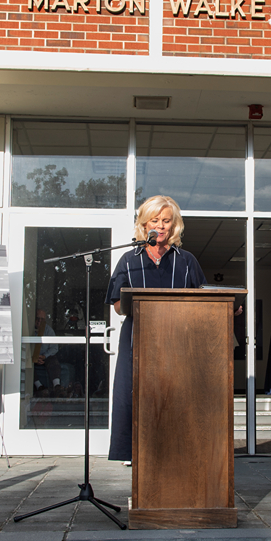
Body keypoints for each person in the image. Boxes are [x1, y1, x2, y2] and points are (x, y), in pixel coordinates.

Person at [106, 195, 206, 463]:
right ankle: (133, 452)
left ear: (174, 226)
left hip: (178, 341)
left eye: (166, 221)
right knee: (132, 395)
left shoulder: (187, 261)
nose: (161, 226)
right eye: (155, 220)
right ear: (143, 224)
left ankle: (177, 452)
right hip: (136, 340)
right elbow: (116, 304)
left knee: (176, 396)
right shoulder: (128, 259)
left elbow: (205, 300)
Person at [33, 309, 61, 394]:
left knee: (53, 360)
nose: (40, 321)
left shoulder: (49, 330)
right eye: (38, 318)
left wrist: (44, 356)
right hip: (31, 356)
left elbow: (54, 348)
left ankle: (57, 386)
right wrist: (34, 357)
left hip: (45, 356)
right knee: (26, 363)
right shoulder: (29, 329)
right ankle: (39, 386)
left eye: (42, 319)